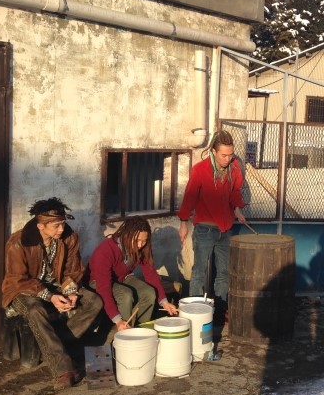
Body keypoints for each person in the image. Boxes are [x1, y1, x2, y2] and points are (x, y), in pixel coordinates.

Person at [1, 197, 102, 390]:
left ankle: (56, 345)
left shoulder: (69, 237)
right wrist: (50, 296)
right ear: (40, 226)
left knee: (94, 301)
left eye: (63, 224)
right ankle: (64, 369)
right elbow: (17, 280)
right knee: (35, 309)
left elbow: (73, 270)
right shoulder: (18, 242)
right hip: (23, 290)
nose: (61, 229)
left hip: (56, 285)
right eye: (56, 226)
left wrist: (71, 292)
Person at [178, 129, 246, 321]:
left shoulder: (234, 169)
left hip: (226, 229)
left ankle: (219, 313)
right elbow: (189, 197)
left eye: (230, 154)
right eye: (224, 155)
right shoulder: (200, 170)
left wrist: (237, 209)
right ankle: (195, 314)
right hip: (205, 229)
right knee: (199, 271)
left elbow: (235, 192)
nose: (228, 159)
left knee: (224, 272)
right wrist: (183, 223)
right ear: (214, 151)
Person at [85, 216, 179, 332]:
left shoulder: (143, 248)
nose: (140, 245)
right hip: (97, 282)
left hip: (122, 278)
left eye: (144, 241)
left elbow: (150, 274)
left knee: (149, 293)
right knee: (125, 295)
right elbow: (103, 288)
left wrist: (164, 302)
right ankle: (123, 332)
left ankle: (141, 330)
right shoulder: (105, 250)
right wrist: (117, 320)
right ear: (126, 235)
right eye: (137, 240)